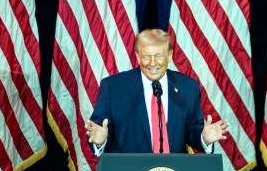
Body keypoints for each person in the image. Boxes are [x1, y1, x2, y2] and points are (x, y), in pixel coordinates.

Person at [85, 28, 230, 154]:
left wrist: (203, 138)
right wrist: (99, 141)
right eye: (146, 56)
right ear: (137, 56)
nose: (152, 63)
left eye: (159, 56)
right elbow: (99, 129)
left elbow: (192, 129)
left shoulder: (188, 86)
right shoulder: (113, 87)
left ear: (169, 56)